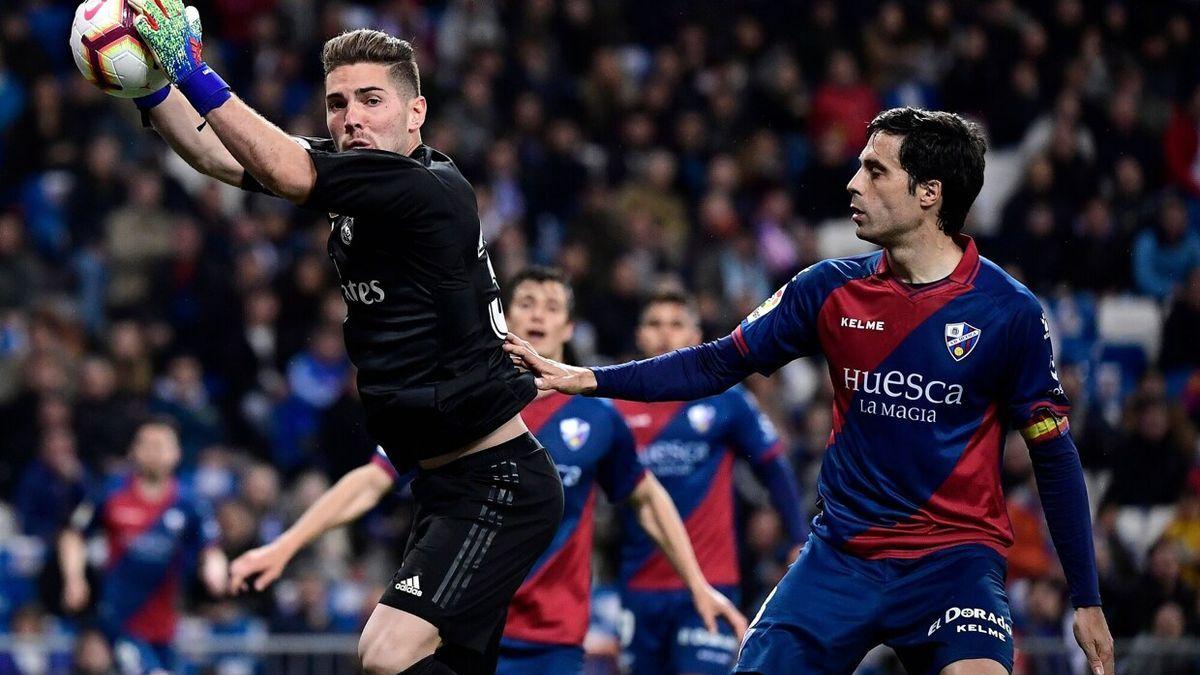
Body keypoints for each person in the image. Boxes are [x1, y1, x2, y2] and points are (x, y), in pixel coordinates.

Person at [506, 107, 1115, 675]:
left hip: (953, 562)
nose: (853, 184)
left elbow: (1053, 455)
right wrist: (587, 378)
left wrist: (1086, 597)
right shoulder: (827, 291)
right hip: (842, 556)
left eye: (876, 171)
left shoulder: (1008, 312)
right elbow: (716, 364)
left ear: (929, 194)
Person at [123, 4, 563, 673]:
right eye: (335, 103)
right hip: (443, 484)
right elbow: (218, 155)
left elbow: (284, 171)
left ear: (415, 113)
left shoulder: (426, 187)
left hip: (497, 482)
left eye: (370, 99)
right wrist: (150, 88)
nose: (350, 116)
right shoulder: (360, 184)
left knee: (385, 652)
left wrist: (192, 69)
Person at [227, 267, 746, 674]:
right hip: (467, 631)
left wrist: (697, 585)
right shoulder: (465, 401)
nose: (538, 314)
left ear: (568, 326)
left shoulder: (598, 416)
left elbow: (648, 500)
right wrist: (285, 544)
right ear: (504, 317)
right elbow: (370, 481)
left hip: (554, 640)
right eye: (525, 303)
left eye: (552, 306)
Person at [606, 290, 807, 674]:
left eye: (677, 324)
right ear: (638, 335)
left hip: (711, 581)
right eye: (654, 324)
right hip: (639, 587)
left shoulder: (726, 401)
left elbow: (773, 466)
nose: (665, 335)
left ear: (696, 335)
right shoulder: (613, 407)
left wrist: (797, 538)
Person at [58, 420, 226, 674]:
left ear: (176, 453)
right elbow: (73, 536)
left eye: (161, 446)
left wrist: (215, 572)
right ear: (134, 450)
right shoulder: (111, 491)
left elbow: (211, 548)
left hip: (166, 623)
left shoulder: (189, 502)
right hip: (120, 620)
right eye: (147, 445)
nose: (154, 453)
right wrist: (74, 578)